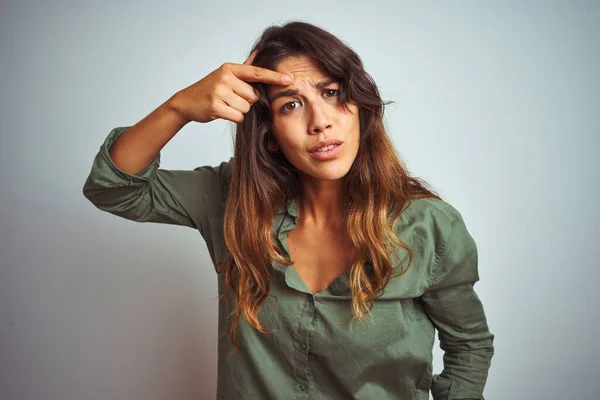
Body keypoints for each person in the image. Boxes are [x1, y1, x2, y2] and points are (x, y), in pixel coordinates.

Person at [83, 21, 494, 400]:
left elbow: (469, 345)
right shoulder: (232, 201)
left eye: (331, 93)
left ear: (360, 109)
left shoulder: (429, 226)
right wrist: (178, 109)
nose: (320, 122)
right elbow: (114, 187)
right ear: (270, 136)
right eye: (290, 105)